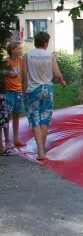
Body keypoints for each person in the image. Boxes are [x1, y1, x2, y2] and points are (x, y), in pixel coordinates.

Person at [22, 31, 67, 161]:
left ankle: (40, 151)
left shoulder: (27, 55)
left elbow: (24, 76)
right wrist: (62, 82)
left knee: (35, 121)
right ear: (46, 42)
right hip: (47, 90)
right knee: (44, 120)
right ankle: (42, 150)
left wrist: (24, 90)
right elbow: (58, 74)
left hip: (33, 90)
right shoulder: (49, 55)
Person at [4, 41, 25, 150]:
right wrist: (7, 73)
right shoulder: (6, 62)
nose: (20, 50)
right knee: (7, 116)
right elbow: (2, 72)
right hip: (8, 92)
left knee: (16, 115)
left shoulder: (20, 61)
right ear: (12, 50)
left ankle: (16, 138)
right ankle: (7, 140)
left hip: (18, 91)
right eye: (18, 48)